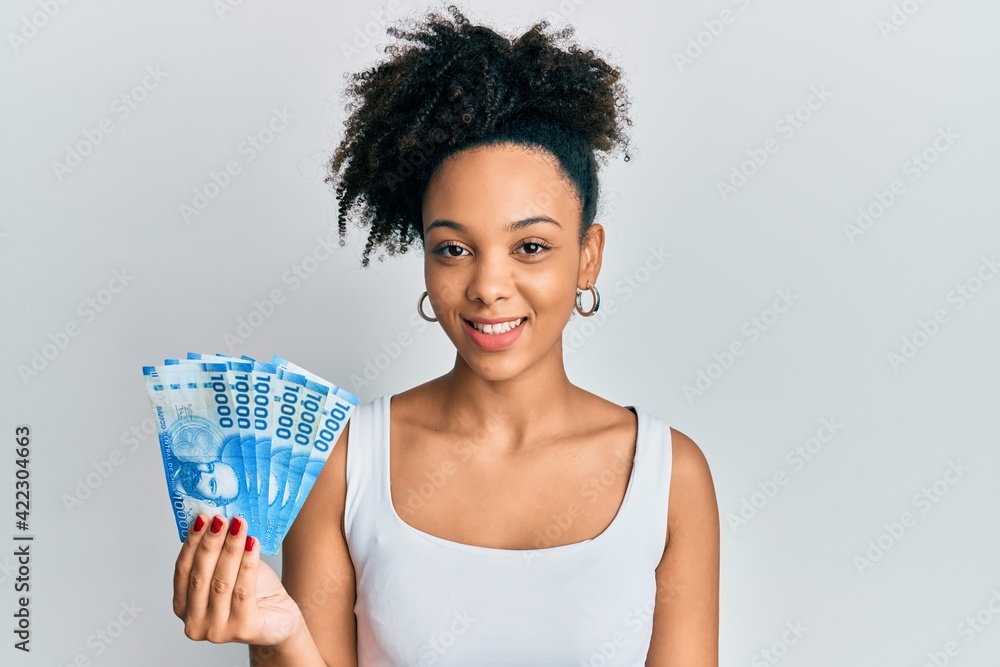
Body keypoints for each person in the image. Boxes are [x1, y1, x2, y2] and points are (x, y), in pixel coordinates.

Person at [171, 5, 720, 665]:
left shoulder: (668, 476)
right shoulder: (346, 465)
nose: (489, 285)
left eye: (532, 246)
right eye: (455, 249)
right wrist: (281, 633)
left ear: (588, 255)